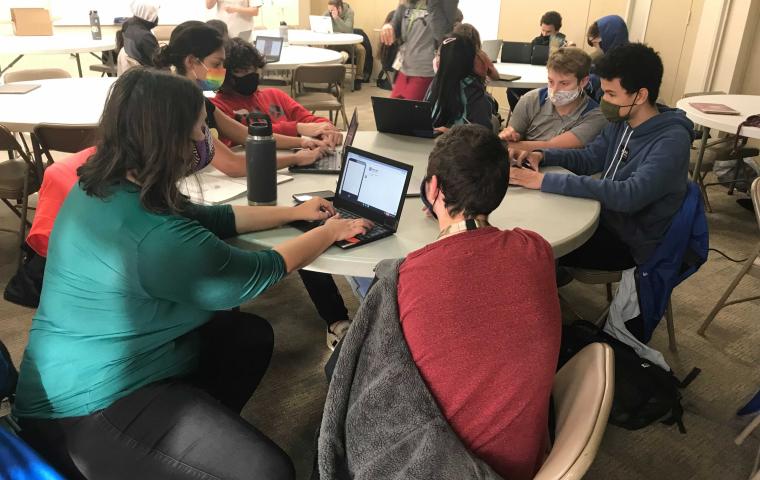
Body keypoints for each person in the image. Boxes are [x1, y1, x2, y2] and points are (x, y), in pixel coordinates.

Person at [12, 68, 372, 480]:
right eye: (203, 130)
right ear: (172, 139)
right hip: (86, 405)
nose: (208, 141)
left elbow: (212, 216)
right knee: (268, 471)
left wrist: (294, 212)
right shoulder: (156, 237)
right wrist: (330, 231)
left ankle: (182, 458)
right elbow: (261, 268)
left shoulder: (106, 185)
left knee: (247, 336)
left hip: (92, 365)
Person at [399, 124, 561, 478]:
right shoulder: (536, 248)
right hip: (525, 459)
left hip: (447, 463)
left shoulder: (413, 271)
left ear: (434, 188)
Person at [509, 43, 693, 270]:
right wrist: (541, 156)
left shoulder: (671, 141)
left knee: (529, 247)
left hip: (632, 241)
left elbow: (630, 194)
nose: (604, 101)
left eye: (611, 94)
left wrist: (544, 181)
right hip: (606, 217)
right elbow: (589, 158)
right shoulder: (624, 120)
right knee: (530, 225)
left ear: (640, 95)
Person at [153, 21, 327, 176]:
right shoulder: (178, 105)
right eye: (216, 64)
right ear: (191, 61)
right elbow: (233, 164)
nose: (222, 70)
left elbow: (247, 135)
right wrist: (295, 158)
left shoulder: (200, 101)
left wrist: (303, 141)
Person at [213, 38, 342, 148]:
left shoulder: (274, 95)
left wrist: (326, 130)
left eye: (253, 69)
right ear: (226, 74)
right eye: (241, 71)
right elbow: (248, 134)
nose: (250, 75)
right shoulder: (218, 108)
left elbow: (308, 119)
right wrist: (297, 128)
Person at [499, 47, 606, 150]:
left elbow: (551, 146)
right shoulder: (531, 100)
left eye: (564, 83)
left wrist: (505, 145)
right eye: (551, 81)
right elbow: (513, 134)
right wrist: (513, 135)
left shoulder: (595, 116)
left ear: (583, 82)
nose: (554, 90)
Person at [380, 0, 460, 100]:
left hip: (425, 72)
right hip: (404, 69)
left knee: (409, 113)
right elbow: (396, 23)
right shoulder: (409, 2)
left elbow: (441, 34)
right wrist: (389, 26)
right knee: (393, 112)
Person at [425, 34, 495, 131]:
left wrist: (450, 133)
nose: (436, 60)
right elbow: (425, 115)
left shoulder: (474, 95)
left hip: (458, 144)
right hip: (432, 141)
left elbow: (482, 138)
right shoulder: (437, 82)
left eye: (440, 55)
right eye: (437, 54)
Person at [324, 0, 367, 90]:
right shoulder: (328, 13)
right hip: (334, 43)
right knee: (327, 51)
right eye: (329, 10)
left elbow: (347, 29)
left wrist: (336, 18)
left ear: (339, 8)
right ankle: (334, 78)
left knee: (361, 50)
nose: (330, 12)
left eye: (332, 10)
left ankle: (358, 78)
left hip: (349, 43)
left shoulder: (349, 12)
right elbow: (320, 23)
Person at [115, 1, 160, 74]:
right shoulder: (146, 37)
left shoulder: (128, 25)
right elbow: (160, 64)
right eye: (154, 13)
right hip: (149, 77)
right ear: (148, 13)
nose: (156, 17)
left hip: (134, 75)